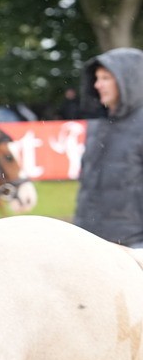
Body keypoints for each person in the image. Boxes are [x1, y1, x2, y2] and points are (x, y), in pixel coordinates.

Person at [73, 48, 143, 248]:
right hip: (91, 242)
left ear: (128, 81)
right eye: (97, 78)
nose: (98, 84)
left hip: (134, 245)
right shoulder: (97, 126)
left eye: (106, 78)